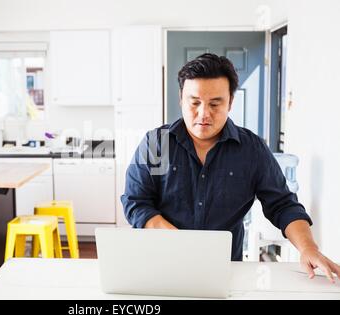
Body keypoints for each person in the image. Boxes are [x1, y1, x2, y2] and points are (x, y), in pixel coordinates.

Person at [121, 53, 340, 282]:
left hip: (226, 270)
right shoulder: (157, 143)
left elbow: (283, 205)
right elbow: (137, 202)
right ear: (181, 99)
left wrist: (308, 248)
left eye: (215, 104)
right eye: (194, 102)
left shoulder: (251, 150)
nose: (203, 114)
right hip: (161, 263)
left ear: (230, 102)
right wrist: (182, 244)